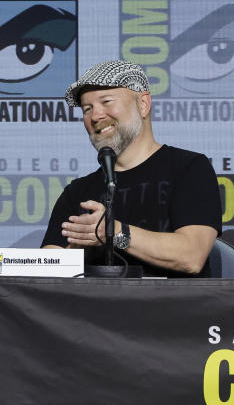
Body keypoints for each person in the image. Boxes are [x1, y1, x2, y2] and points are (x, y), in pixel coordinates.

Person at [42, 59, 221, 277]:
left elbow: (191, 256)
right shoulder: (77, 192)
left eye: (106, 101)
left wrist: (113, 231)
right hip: (96, 310)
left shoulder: (189, 169)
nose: (95, 116)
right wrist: (82, 248)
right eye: (87, 108)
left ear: (143, 104)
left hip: (175, 309)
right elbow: (47, 273)